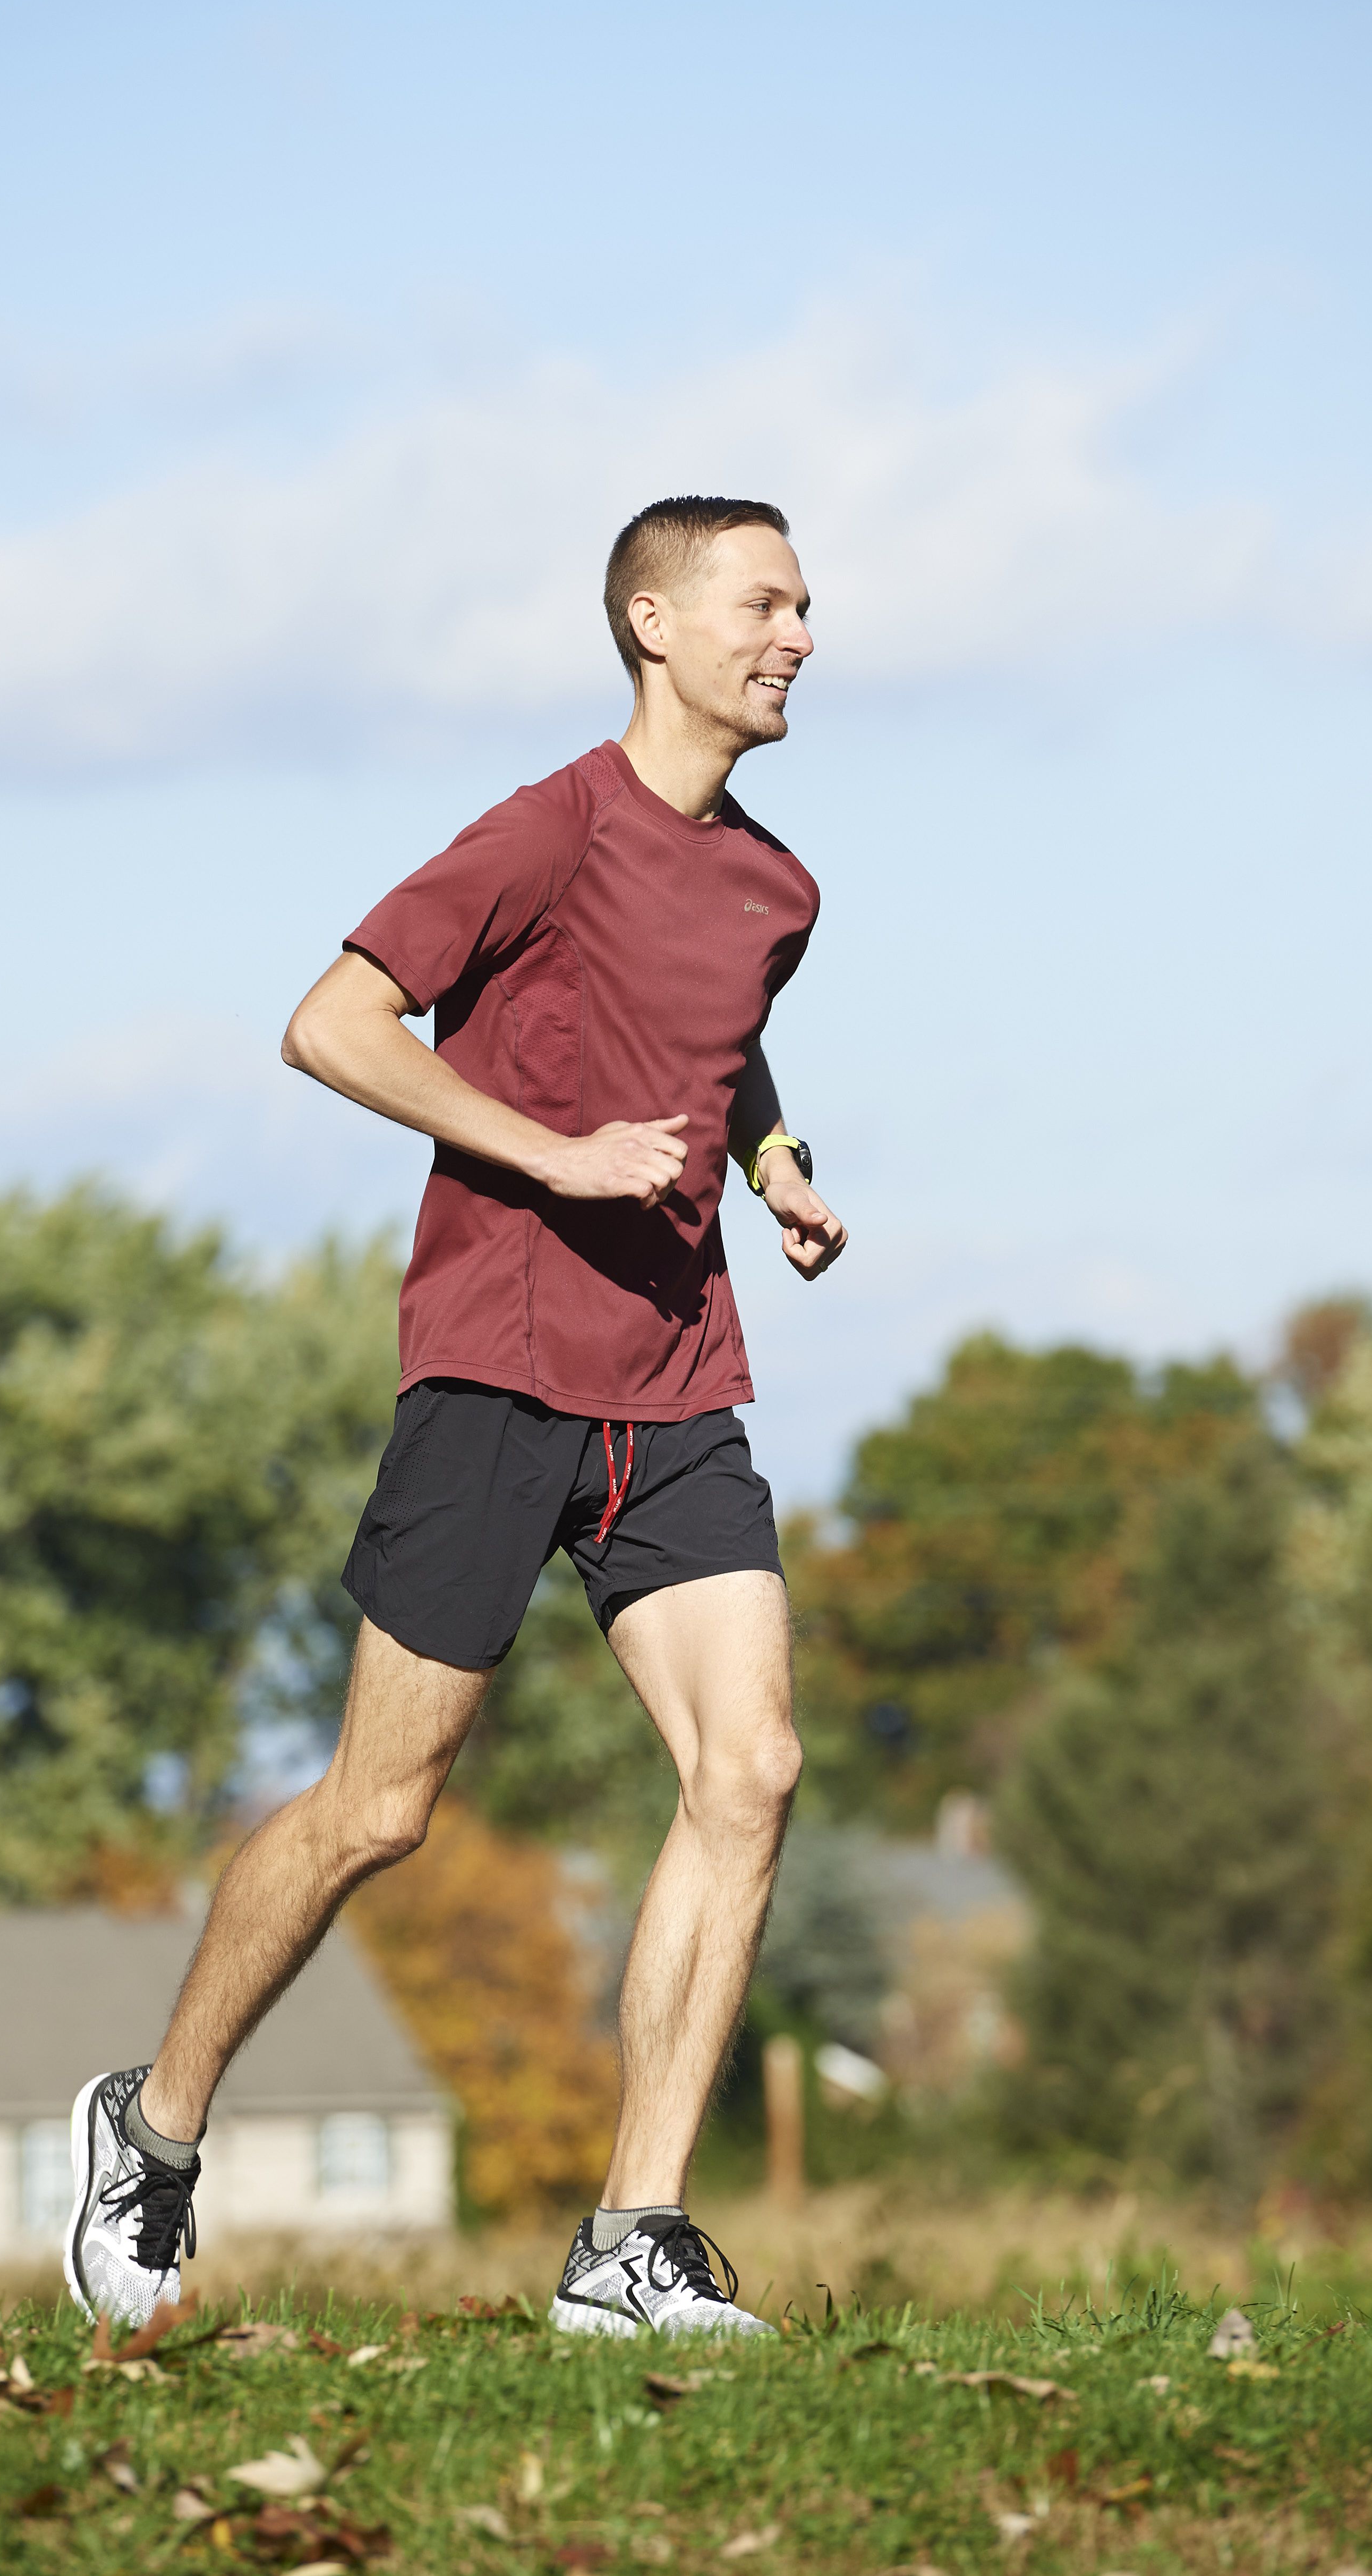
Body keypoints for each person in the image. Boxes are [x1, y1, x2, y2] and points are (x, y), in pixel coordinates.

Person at [64, 494, 847, 2337]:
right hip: (497, 1370)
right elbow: (332, 1025)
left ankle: (628, 2240)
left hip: (676, 1379)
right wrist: (553, 1152)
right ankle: (154, 2128)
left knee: (751, 1772)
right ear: (652, 623)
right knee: (380, 1809)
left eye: (808, 603)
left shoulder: (776, 887)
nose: (800, 632)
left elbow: (714, 1038)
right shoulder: (545, 830)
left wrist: (780, 1157)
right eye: (764, 602)